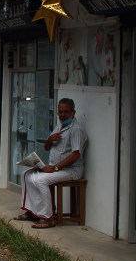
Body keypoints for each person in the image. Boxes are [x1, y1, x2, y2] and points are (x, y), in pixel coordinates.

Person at [16, 98, 86, 229]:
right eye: (60, 112)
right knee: (26, 175)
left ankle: (48, 218)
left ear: (73, 113)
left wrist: (55, 167)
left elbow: (76, 155)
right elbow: (47, 148)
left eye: (66, 112)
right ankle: (33, 212)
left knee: (40, 181)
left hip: (70, 170)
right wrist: (49, 140)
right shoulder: (60, 126)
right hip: (54, 167)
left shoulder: (76, 130)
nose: (63, 115)